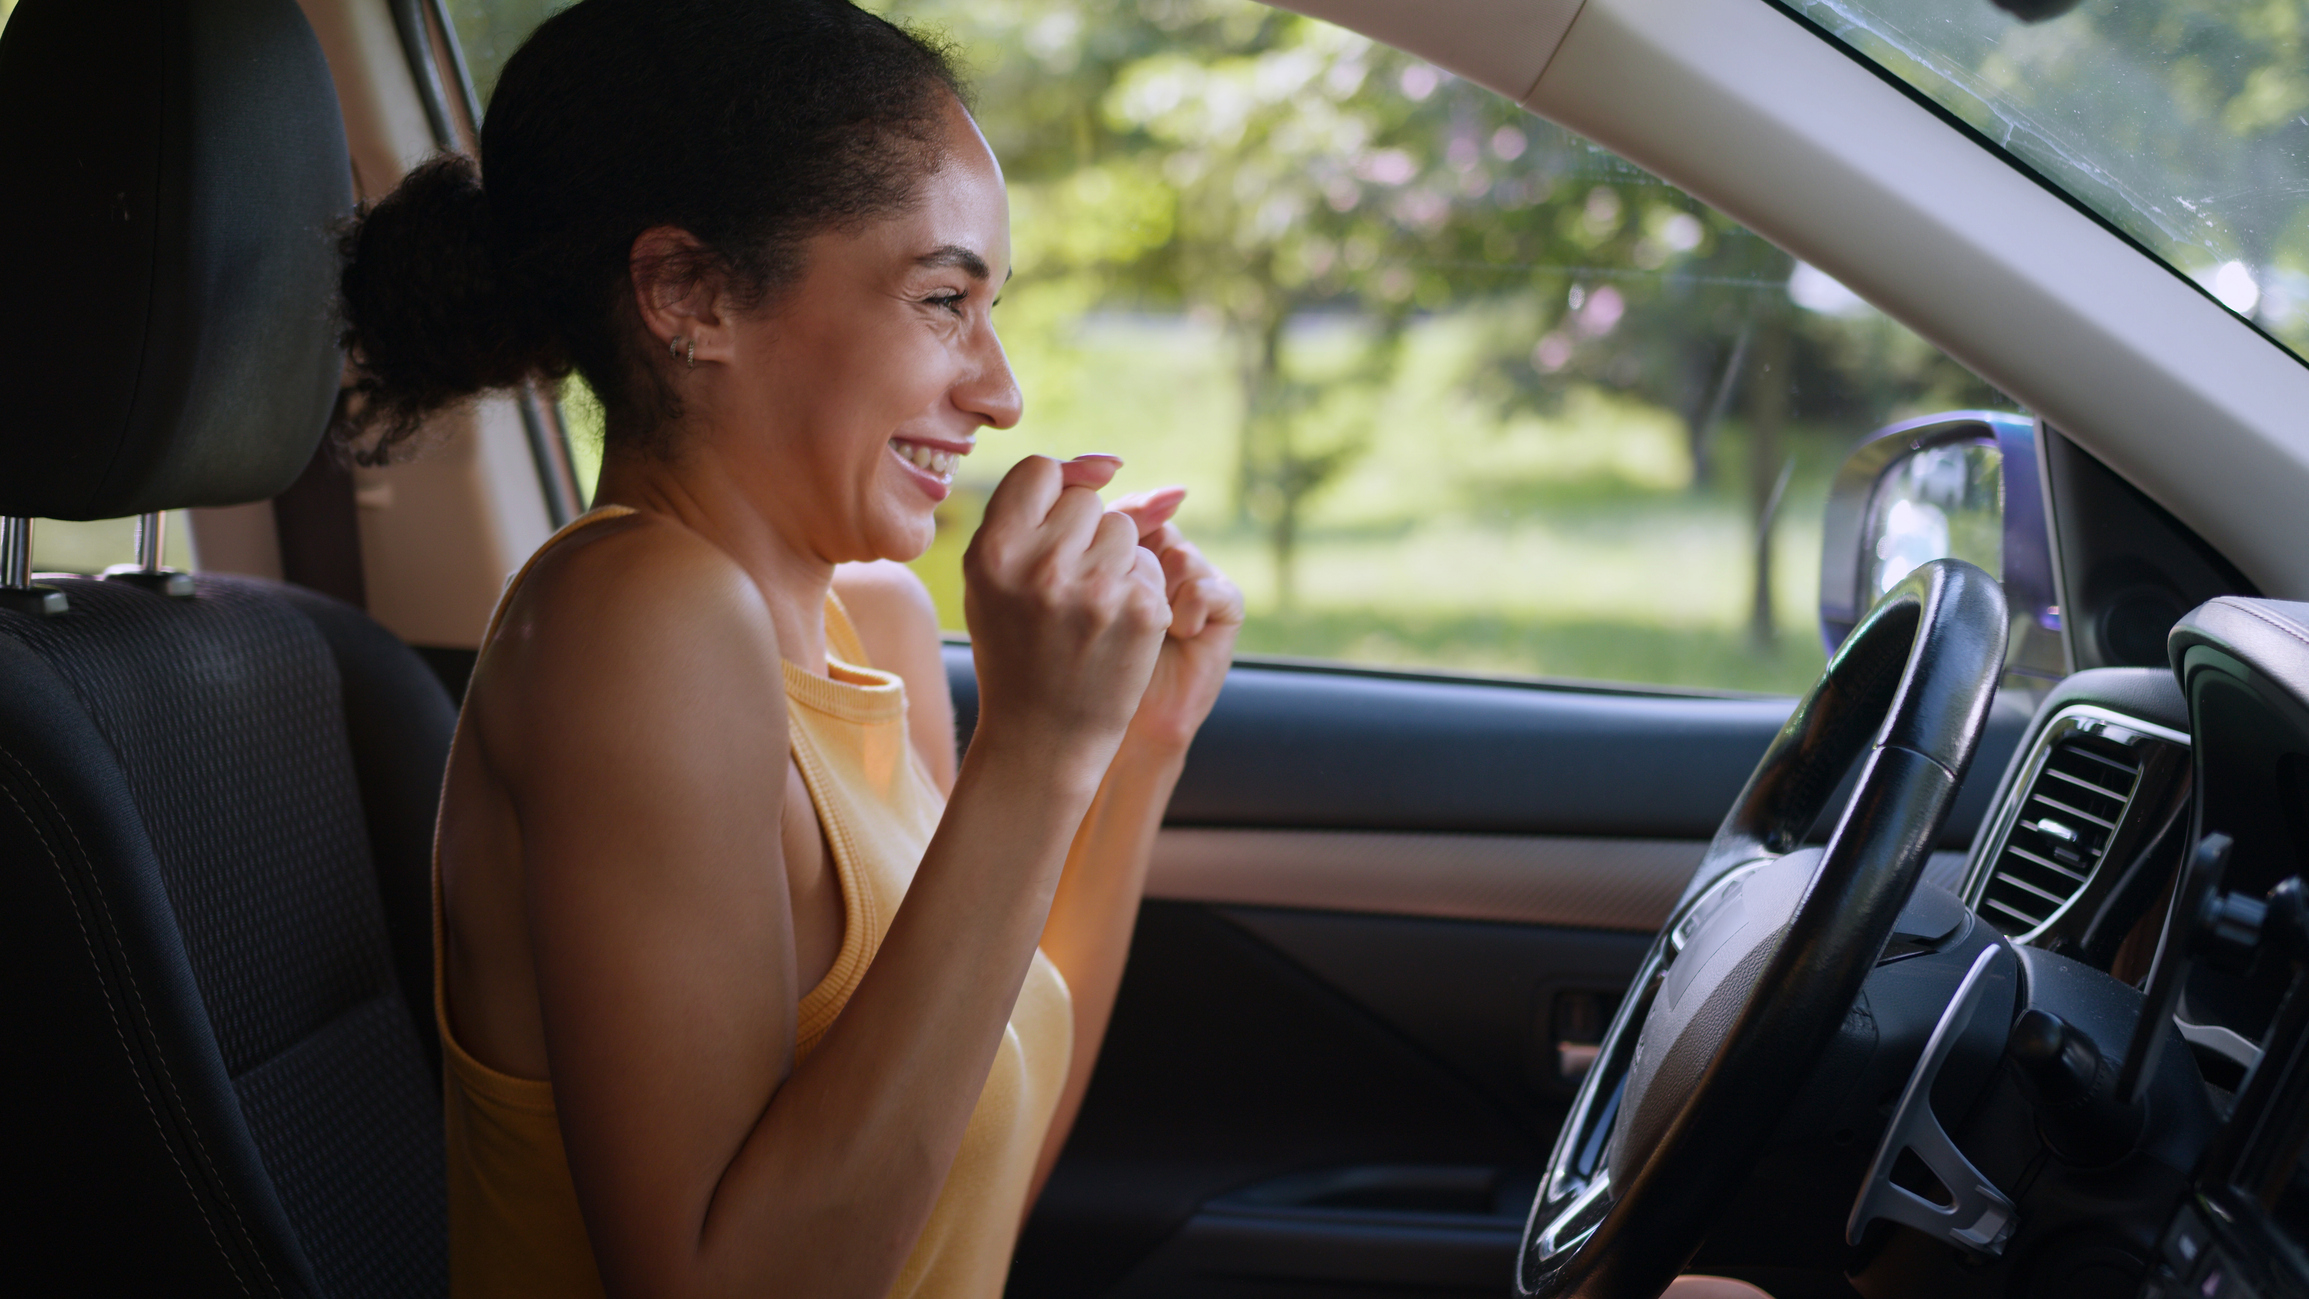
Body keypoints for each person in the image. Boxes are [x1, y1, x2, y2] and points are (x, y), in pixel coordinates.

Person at [335, 2, 1774, 1296]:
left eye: (991, 308)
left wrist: (1132, 746)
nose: (1003, 392)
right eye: (942, 300)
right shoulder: (629, 620)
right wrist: (1036, 749)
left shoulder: (873, 623)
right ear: (689, 298)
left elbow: (965, 1180)